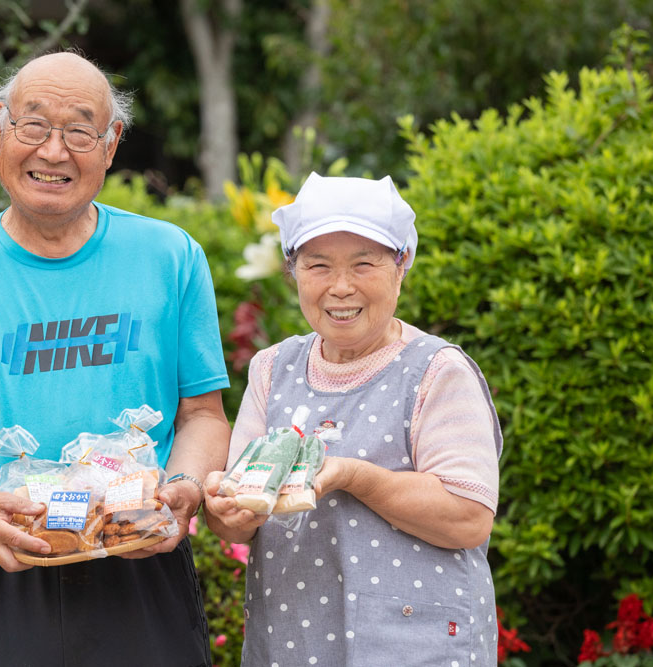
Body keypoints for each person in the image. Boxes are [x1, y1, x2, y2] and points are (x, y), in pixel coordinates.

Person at [0, 51, 231, 667]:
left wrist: (182, 488)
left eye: (79, 131)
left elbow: (203, 414)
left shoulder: (170, 257)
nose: (53, 152)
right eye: (33, 126)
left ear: (112, 143)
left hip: (138, 553)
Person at [203, 173, 503, 667]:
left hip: (416, 645)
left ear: (401, 266)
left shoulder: (437, 370)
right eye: (318, 266)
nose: (340, 287)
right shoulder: (272, 368)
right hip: (293, 641)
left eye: (364, 264)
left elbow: (468, 518)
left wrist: (350, 476)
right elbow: (238, 519)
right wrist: (224, 509)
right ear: (294, 271)